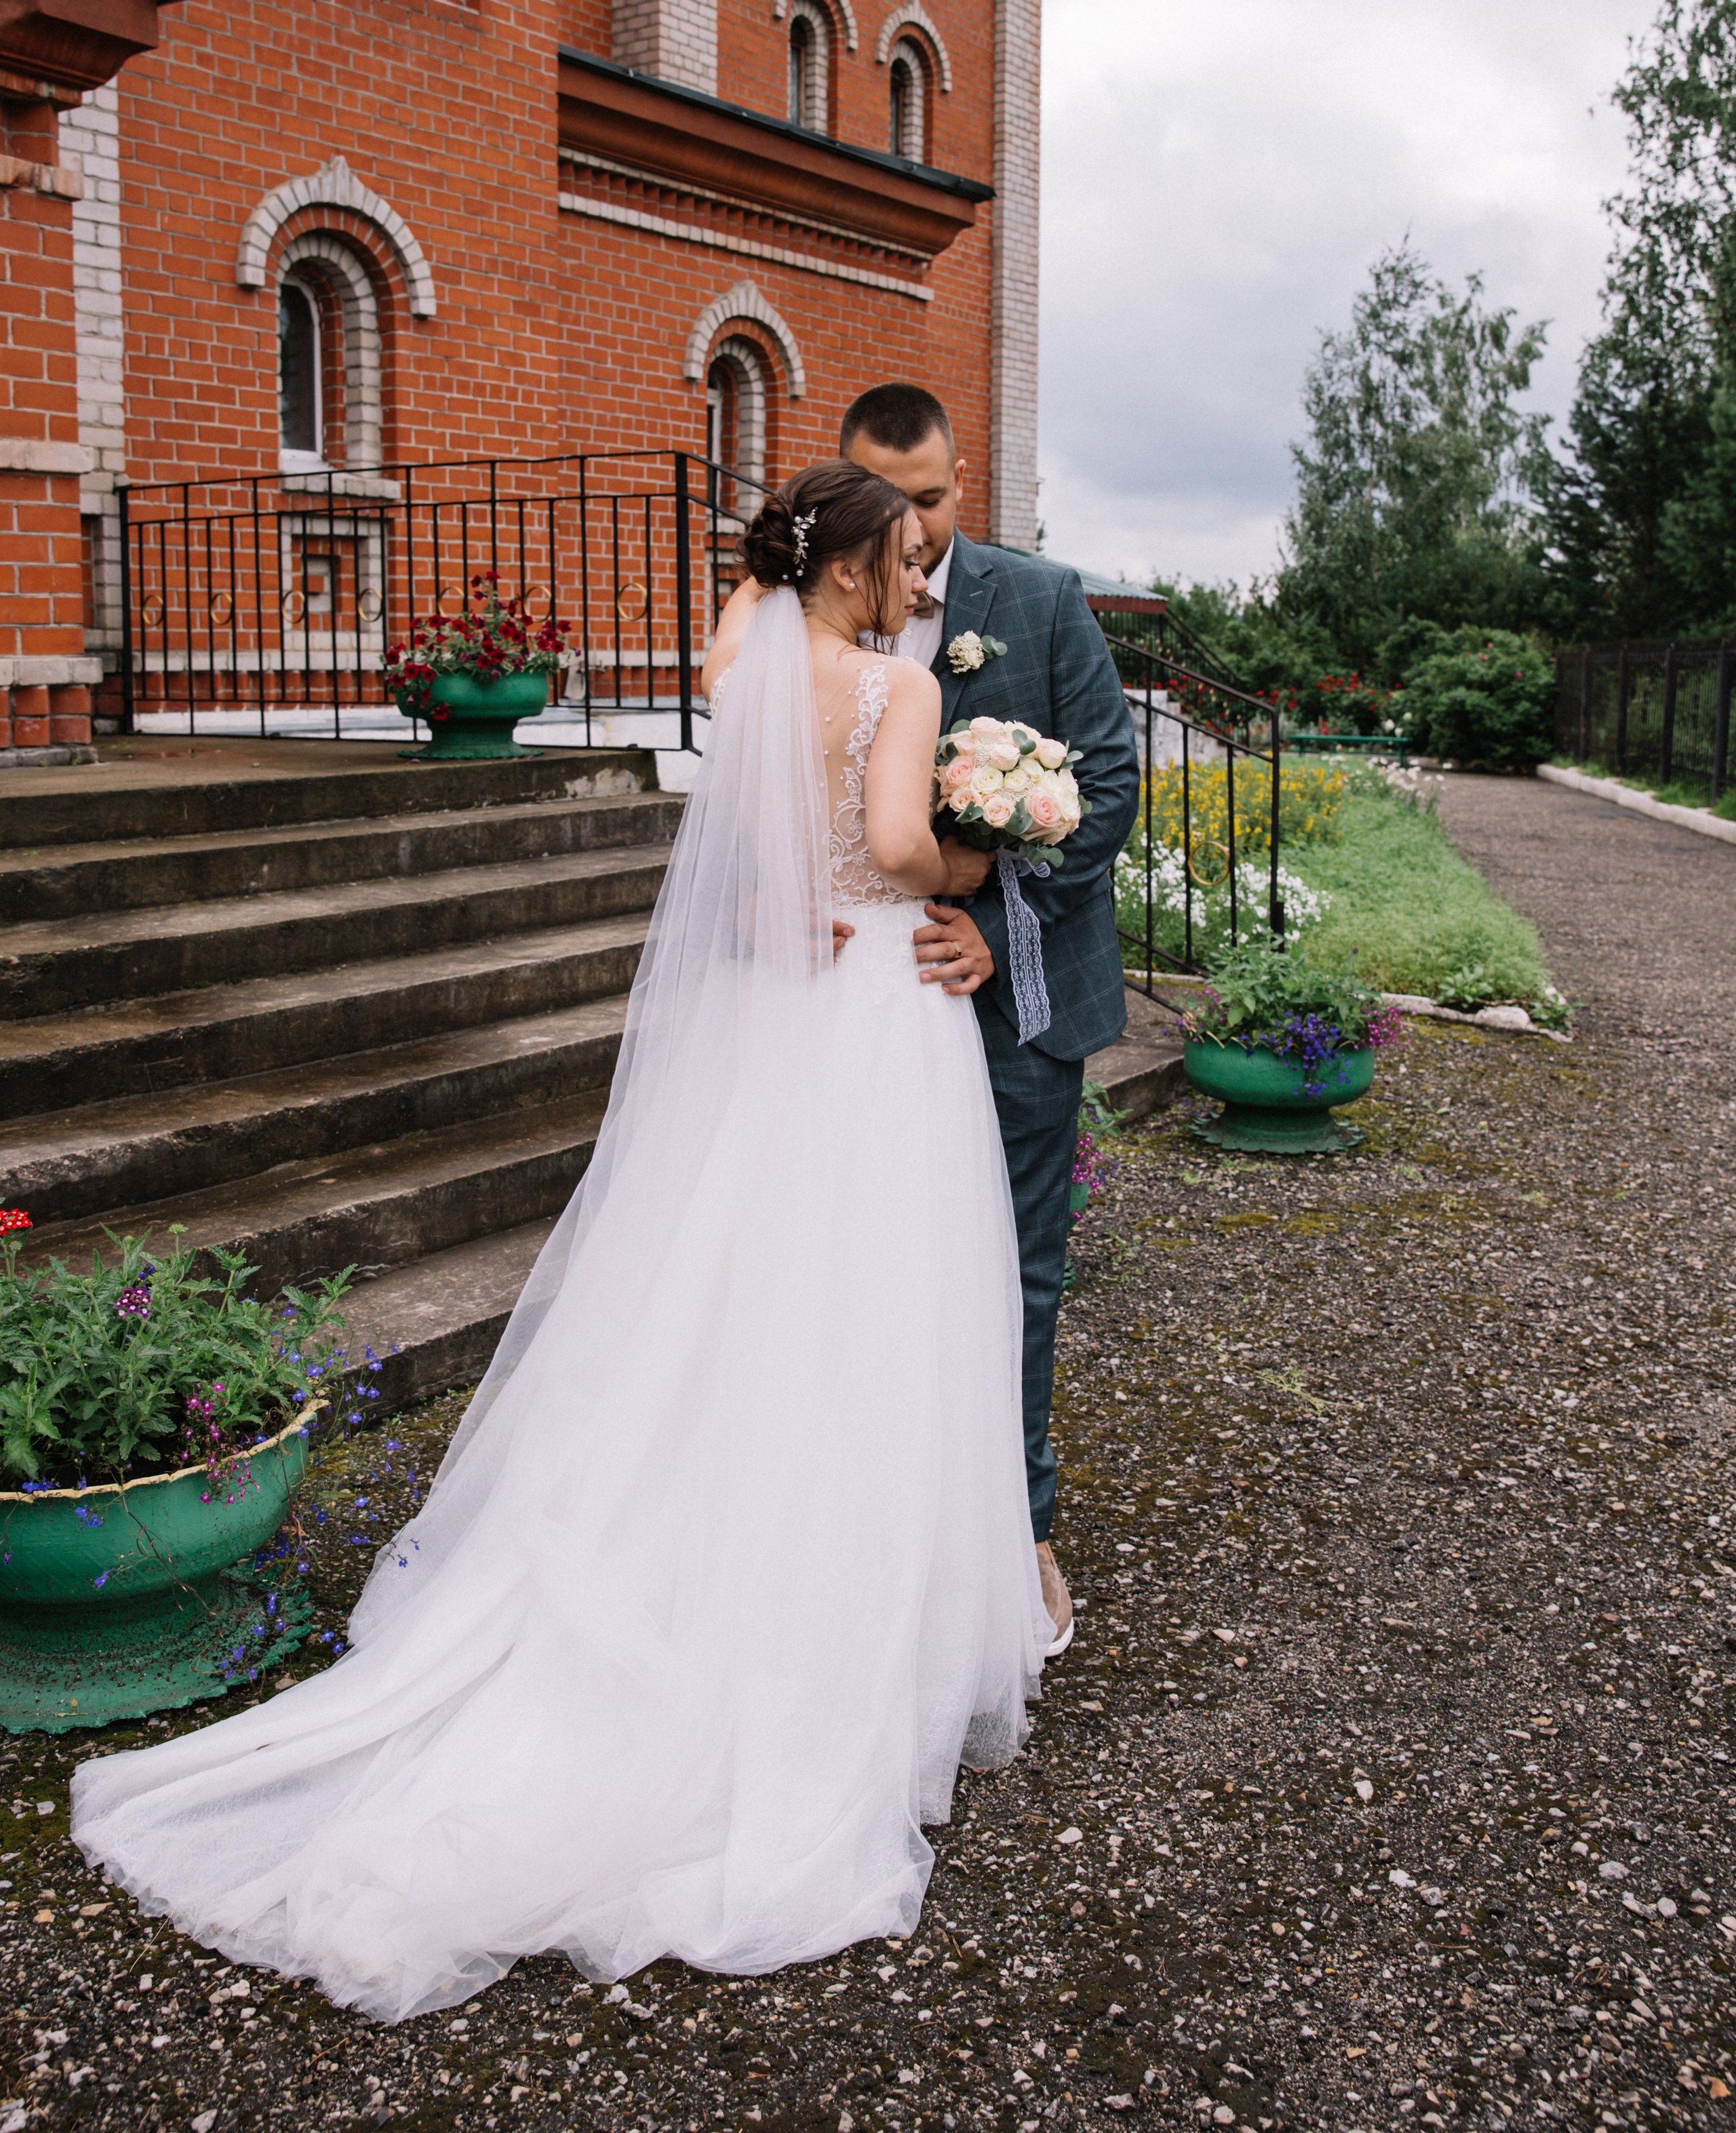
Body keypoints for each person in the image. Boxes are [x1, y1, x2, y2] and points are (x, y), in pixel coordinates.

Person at [71, 462, 1049, 2024]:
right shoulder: (894, 684)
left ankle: (682, 1575)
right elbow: (884, 836)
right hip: (867, 1009)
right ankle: (833, 1621)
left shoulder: (740, 670)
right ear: (861, 565)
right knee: (865, 1307)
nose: (909, 580)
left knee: (716, 1298)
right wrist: (976, 858)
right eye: (899, 557)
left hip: (757, 1015)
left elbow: (753, 834)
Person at [842, 385, 1139, 1658]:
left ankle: (1019, 1530)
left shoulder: (1041, 599)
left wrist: (992, 899)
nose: (913, 528)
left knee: (1018, 1271)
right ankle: (872, 1528)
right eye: (886, 500)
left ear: (966, 484)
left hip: (1015, 993)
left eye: (934, 498)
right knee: (869, 1266)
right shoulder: (819, 619)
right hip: (861, 1006)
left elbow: (1110, 781)